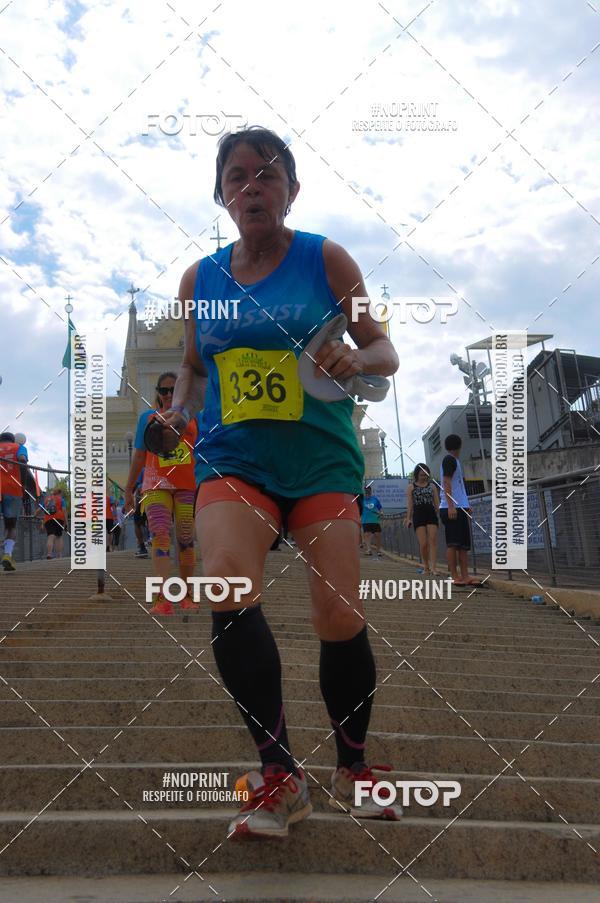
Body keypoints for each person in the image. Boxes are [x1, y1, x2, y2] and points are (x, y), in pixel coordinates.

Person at [156, 126, 401, 838]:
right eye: (237, 176)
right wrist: (176, 412)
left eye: (267, 175)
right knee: (228, 584)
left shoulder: (325, 258)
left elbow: (383, 345)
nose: (252, 186)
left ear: (291, 190)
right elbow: (195, 366)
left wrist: (360, 362)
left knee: (337, 614)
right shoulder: (199, 279)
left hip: (321, 460)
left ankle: (351, 765)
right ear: (222, 195)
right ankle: (279, 774)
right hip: (235, 459)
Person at [125, 372, 199, 614]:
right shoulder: (148, 418)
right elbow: (138, 455)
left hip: (187, 485)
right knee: (160, 535)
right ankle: (162, 597)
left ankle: (188, 594)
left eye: (173, 390)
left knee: (186, 539)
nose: (168, 395)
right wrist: (129, 488)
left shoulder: (193, 419)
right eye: (163, 390)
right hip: (155, 484)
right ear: (157, 392)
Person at [439, 434, 480, 585]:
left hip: (459, 506)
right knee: (453, 543)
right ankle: (455, 576)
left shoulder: (455, 461)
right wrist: (451, 506)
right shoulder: (449, 459)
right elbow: (446, 482)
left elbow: (459, 486)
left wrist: (465, 504)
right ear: (460, 445)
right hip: (451, 507)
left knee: (463, 544)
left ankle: (465, 575)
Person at [0, 431, 28, 571]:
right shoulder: (19, 447)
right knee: (10, 525)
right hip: (12, 488)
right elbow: (22, 460)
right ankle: (7, 554)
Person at [406, 463, 439, 576]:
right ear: (417, 475)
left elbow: (437, 503)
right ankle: (426, 566)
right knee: (423, 543)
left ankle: (434, 567)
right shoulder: (411, 487)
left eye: (425, 474)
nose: (424, 477)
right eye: (421, 475)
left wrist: (441, 514)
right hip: (418, 515)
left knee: (433, 540)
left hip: (431, 514)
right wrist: (408, 518)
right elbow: (410, 504)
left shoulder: (432, 486)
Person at [39, 489, 67, 559]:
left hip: (48, 520)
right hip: (59, 518)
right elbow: (64, 510)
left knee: (50, 537)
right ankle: (59, 555)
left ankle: (49, 554)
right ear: (59, 493)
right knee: (59, 537)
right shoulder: (61, 500)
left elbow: (39, 509)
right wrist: (66, 522)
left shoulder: (47, 500)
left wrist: (35, 515)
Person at [361, 484, 384, 557]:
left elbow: (380, 508)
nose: (367, 492)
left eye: (368, 490)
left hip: (375, 520)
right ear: (364, 491)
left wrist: (381, 513)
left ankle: (379, 550)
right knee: (367, 535)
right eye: (366, 490)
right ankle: (369, 550)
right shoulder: (361, 500)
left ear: (370, 491)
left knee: (378, 535)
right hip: (365, 520)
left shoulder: (375, 499)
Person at [132, 469, 149, 557]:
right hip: (161, 494)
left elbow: (136, 484)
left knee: (137, 523)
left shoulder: (143, 468)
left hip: (144, 495)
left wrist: (129, 494)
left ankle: (142, 548)